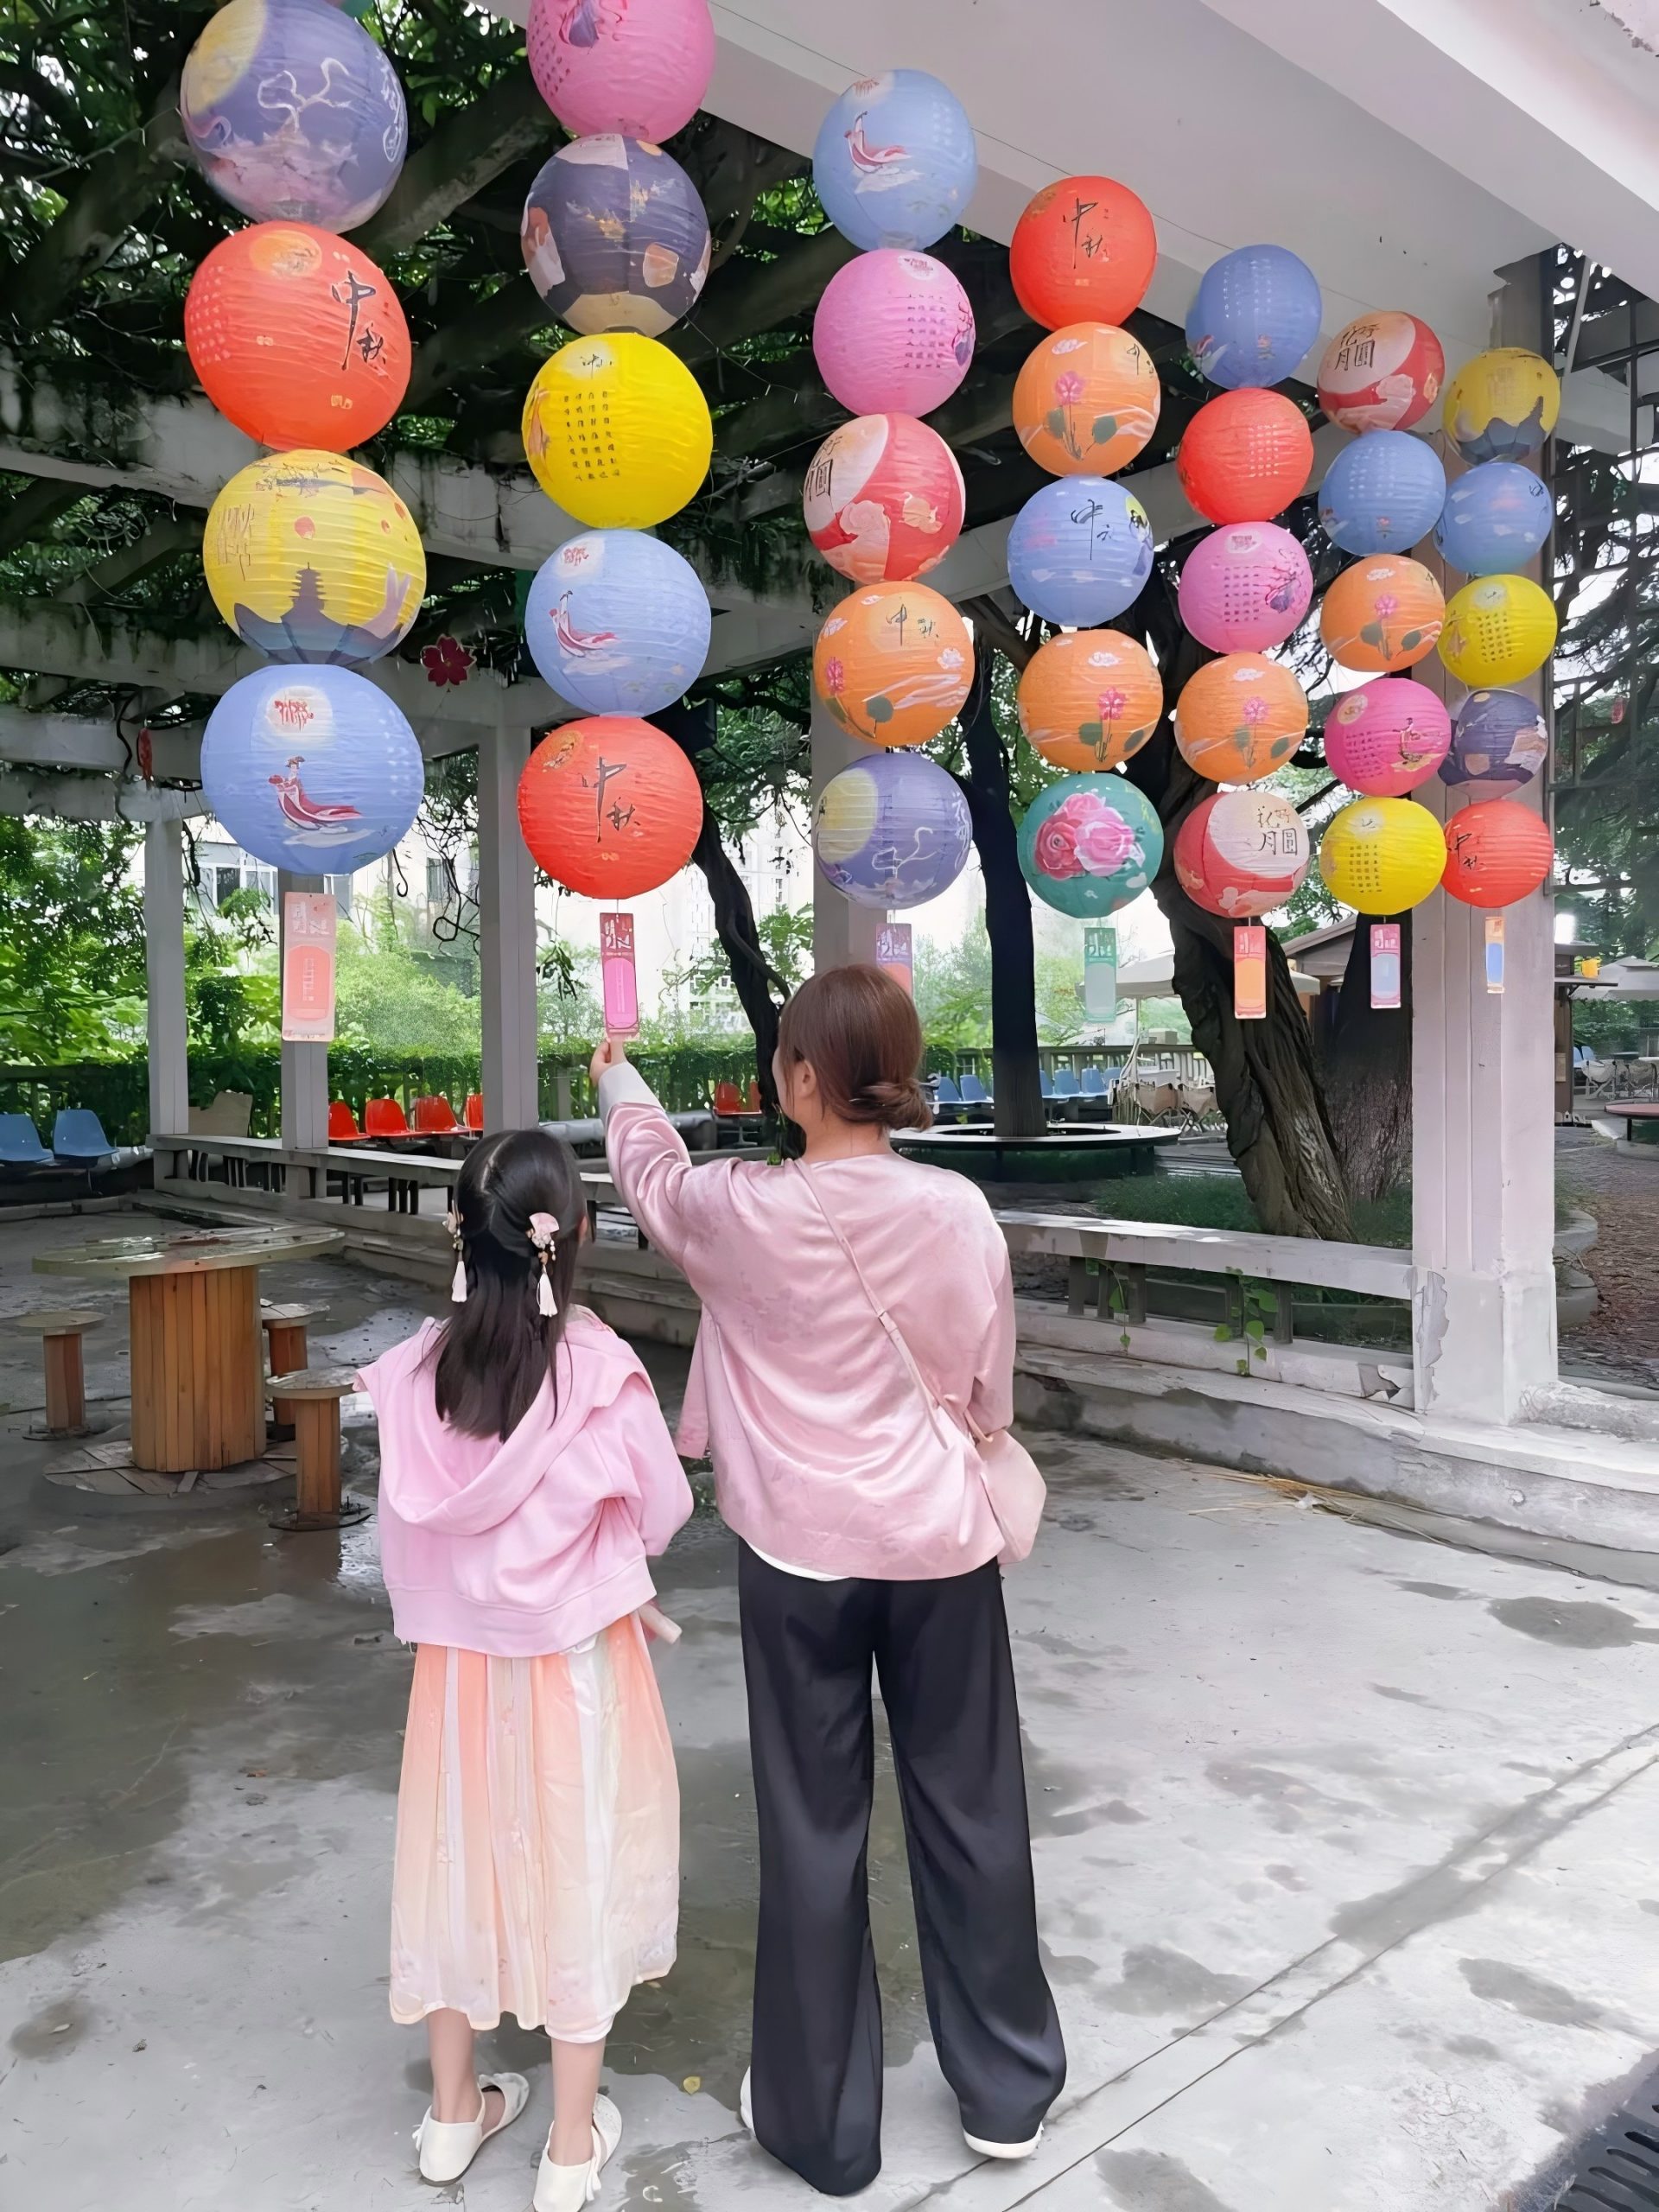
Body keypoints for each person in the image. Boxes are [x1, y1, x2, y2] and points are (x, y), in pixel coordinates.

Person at [594, 964, 1065, 2198]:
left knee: (813, 1826)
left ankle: (823, 2126)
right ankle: (1008, 2089)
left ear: (802, 1076)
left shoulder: (740, 1210)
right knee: (971, 1806)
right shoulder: (957, 1211)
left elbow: (649, 1178)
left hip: (797, 1557)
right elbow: (988, 1391)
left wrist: (621, 1082)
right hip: (939, 1548)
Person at [359, 1128, 693, 2212]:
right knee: (578, 1863)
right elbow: (664, 1507)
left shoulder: (416, 1373)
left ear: (458, 1233)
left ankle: (455, 2115)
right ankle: (569, 2148)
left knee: (455, 1861)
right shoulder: (597, 1371)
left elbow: (402, 1531)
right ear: (576, 1234)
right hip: (574, 1668)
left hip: (456, 1674)